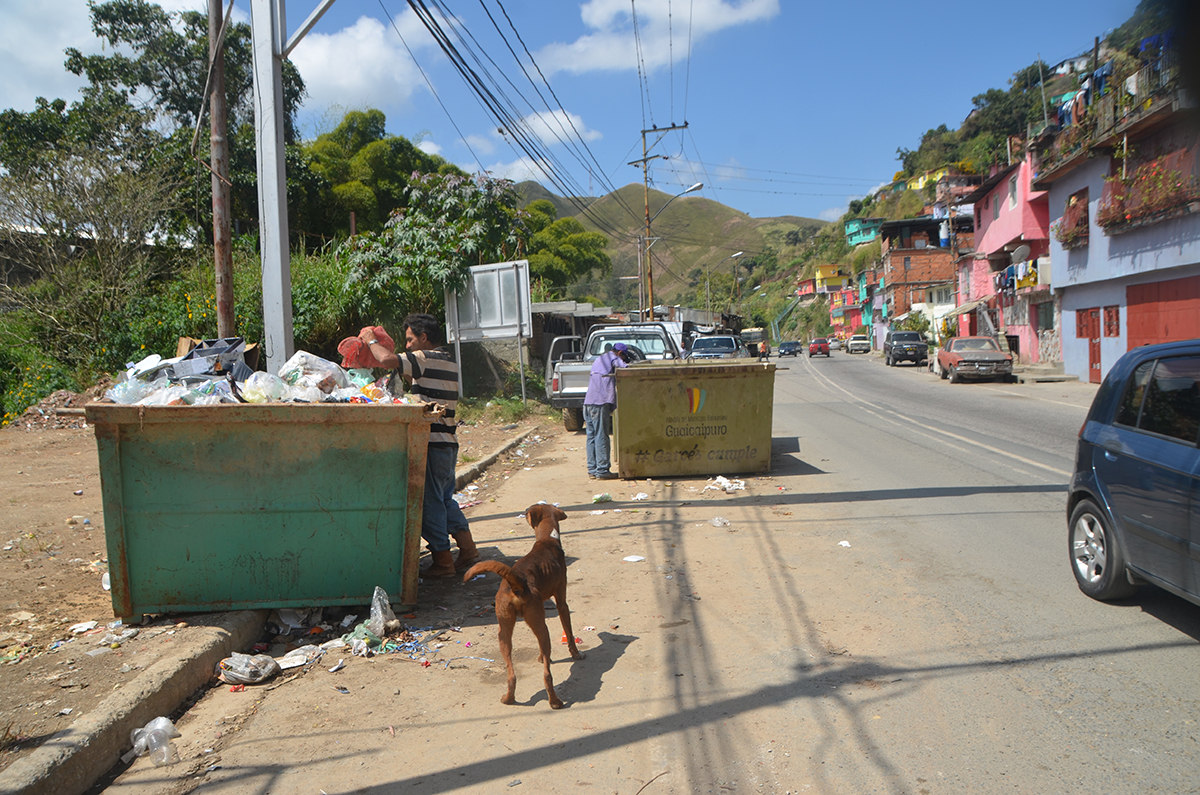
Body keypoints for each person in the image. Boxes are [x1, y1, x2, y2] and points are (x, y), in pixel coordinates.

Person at [359, 314, 479, 579]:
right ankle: (468, 549)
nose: (409, 346)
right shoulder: (449, 361)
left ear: (424, 338)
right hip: (447, 443)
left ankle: (443, 560)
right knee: (445, 500)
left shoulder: (425, 358)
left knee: (430, 504)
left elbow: (387, 360)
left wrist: (370, 341)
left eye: (411, 340)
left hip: (433, 444)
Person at [583, 342, 629, 479]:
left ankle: (592, 469)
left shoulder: (600, 358)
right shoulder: (613, 357)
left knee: (591, 436)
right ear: (620, 353)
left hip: (588, 402)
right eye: (624, 357)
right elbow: (624, 368)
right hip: (599, 402)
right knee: (601, 435)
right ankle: (602, 470)